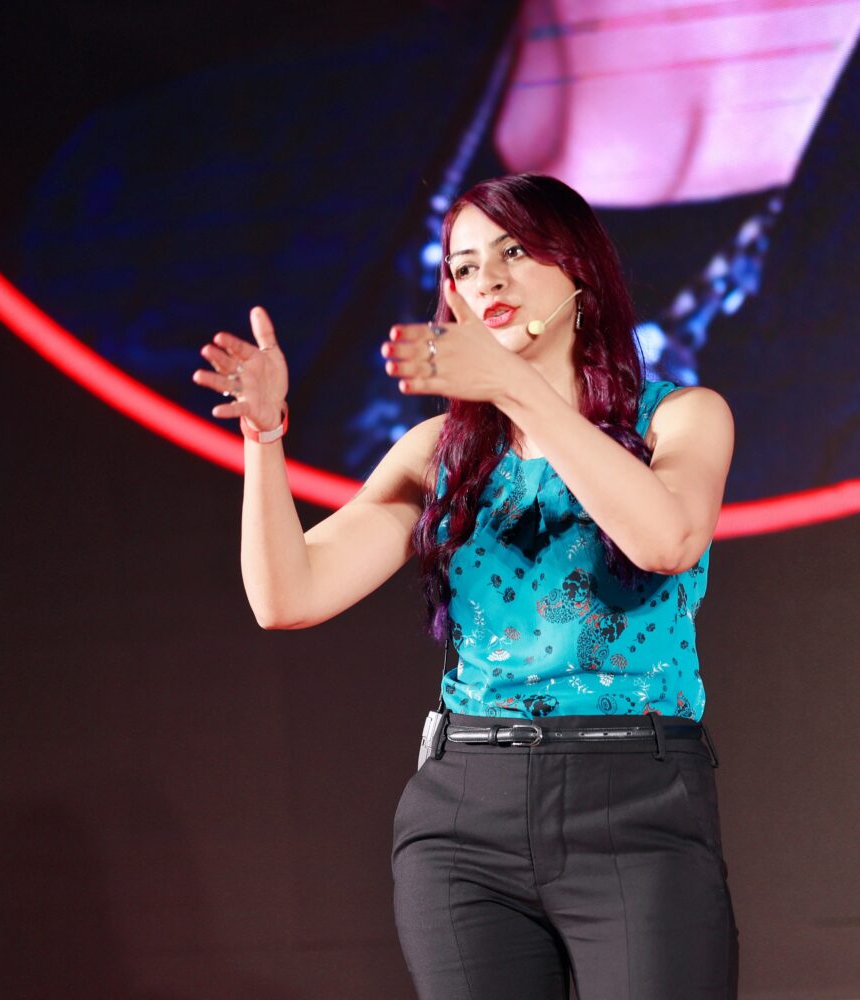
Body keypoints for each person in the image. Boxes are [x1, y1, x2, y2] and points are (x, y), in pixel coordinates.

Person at [193, 173, 738, 998]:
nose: (487, 281)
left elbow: (666, 540)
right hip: (466, 813)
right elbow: (288, 597)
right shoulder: (436, 453)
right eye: (464, 266)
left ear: (580, 272)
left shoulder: (680, 419)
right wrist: (265, 438)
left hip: (636, 803)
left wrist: (518, 388)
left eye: (514, 252)